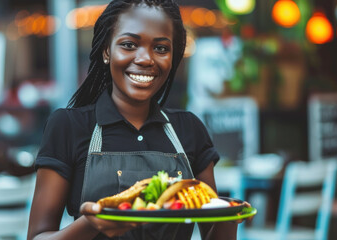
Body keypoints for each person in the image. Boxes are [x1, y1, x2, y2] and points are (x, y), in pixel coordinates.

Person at [27, 0, 245, 239]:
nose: (145, 59)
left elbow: (213, 229)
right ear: (107, 51)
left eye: (161, 48)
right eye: (129, 45)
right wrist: (92, 224)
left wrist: (229, 218)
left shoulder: (189, 129)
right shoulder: (69, 126)